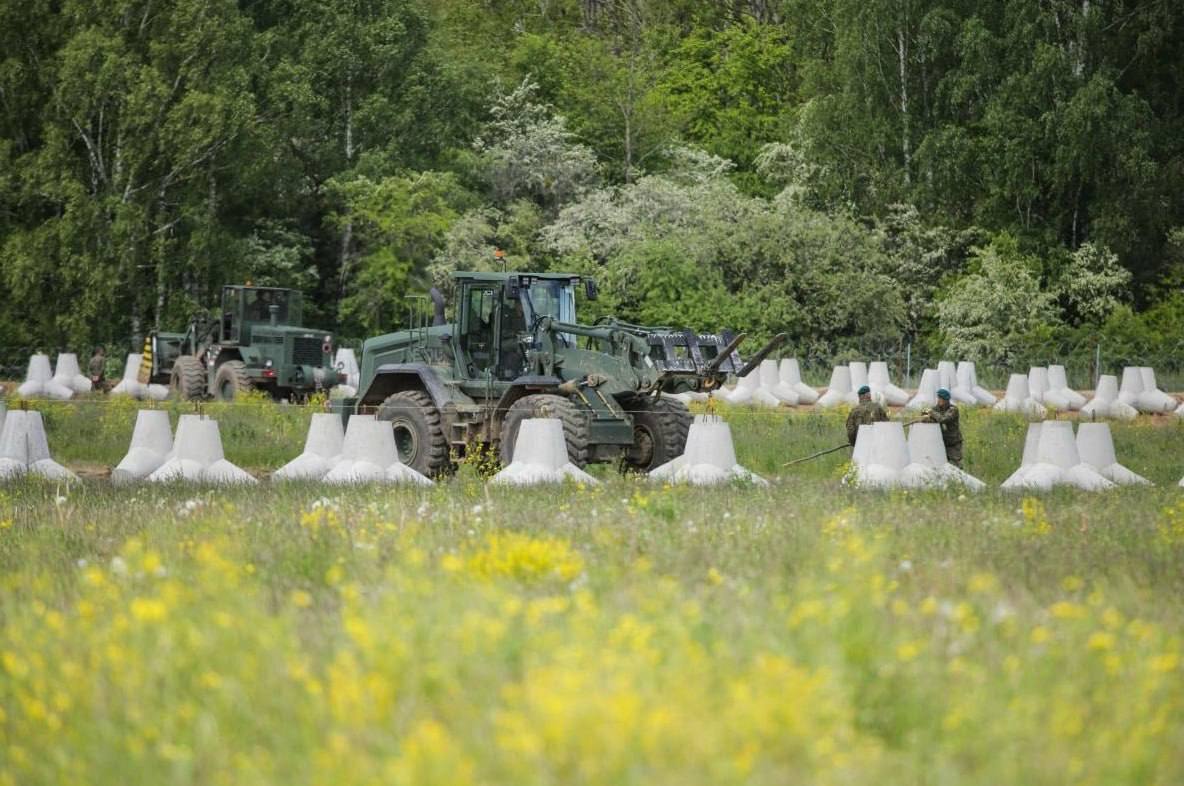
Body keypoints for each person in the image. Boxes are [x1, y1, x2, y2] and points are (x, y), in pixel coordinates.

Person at [921, 388, 963, 467]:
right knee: (941, 465)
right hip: (941, 442)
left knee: (955, 464)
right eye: (939, 398)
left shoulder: (953, 409)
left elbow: (943, 419)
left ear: (946, 400)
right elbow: (926, 417)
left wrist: (931, 412)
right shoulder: (936, 409)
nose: (939, 400)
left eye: (941, 398)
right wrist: (925, 416)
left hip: (953, 443)